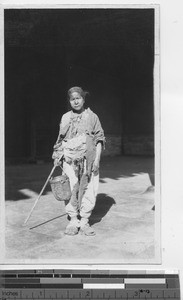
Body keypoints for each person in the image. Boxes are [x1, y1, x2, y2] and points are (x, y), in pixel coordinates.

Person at [52, 86, 105, 236]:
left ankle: (85, 221)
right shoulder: (65, 117)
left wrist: (97, 160)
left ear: (83, 99)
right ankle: (73, 220)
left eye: (78, 98)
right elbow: (60, 139)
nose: (76, 102)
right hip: (69, 159)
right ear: (69, 101)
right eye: (72, 99)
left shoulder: (92, 116)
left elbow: (99, 139)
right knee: (70, 188)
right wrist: (57, 155)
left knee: (89, 188)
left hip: (89, 159)